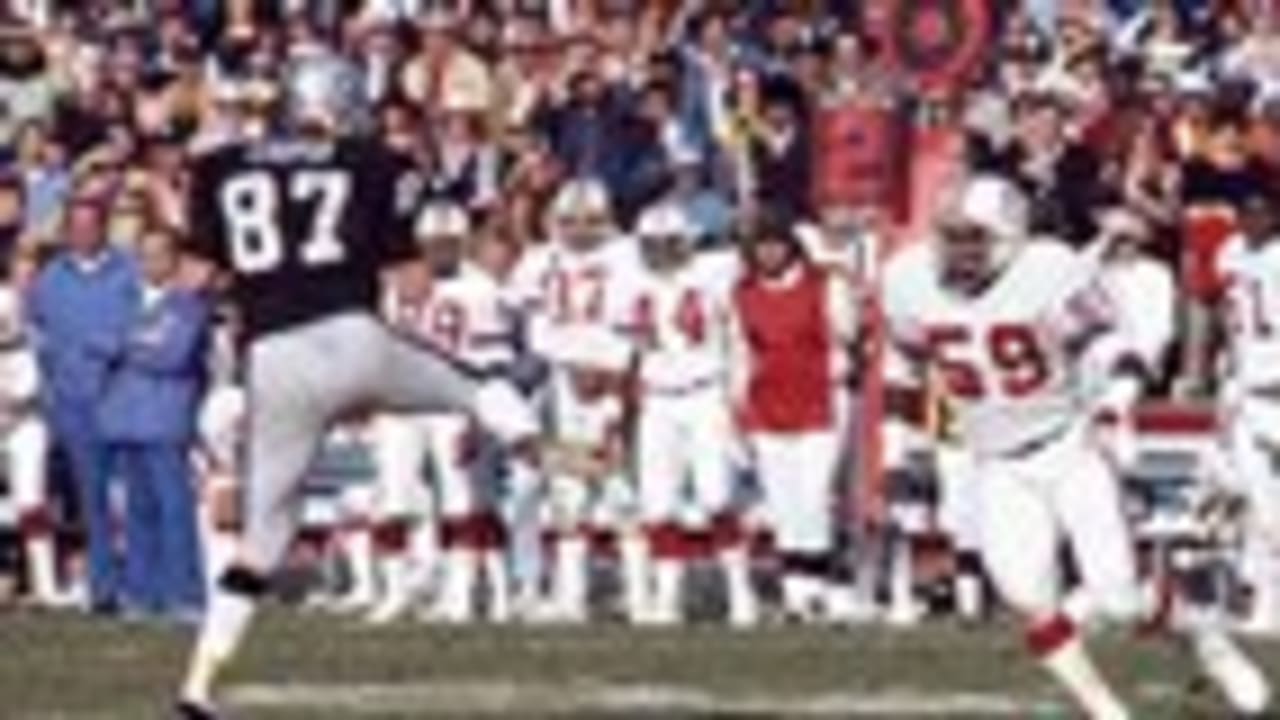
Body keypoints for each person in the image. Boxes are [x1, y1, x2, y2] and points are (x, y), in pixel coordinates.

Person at [175, 53, 537, 719]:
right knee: (472, 384)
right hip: (350, 335)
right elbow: (412, 284)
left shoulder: (218, 167)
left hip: (272, 358)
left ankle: (198, 685)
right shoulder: (373, 163)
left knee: (264, 535)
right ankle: (530, 440)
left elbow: (196, 276)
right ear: (336, 105)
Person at [880, 175, 1270, 720]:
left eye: (975, 238)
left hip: (1067, 446)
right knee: (1025, 596)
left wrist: (1117, 400)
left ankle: (1208, 641)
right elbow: (904, 364)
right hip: (994, 459)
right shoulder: (909, 279)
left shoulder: (1047, 271)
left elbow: (1110, 346)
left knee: (1119, 601)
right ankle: (1104, 710)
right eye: (952, 236)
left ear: (1011, 238)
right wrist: (899, 451)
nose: (961, 251)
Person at [615, 202, 757, 626]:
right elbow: (623, 349)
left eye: (669, 244)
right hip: (657, 398)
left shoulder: (714, 272)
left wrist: (737, 394)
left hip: (704, 393)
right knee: (658, 505)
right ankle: (667, 597)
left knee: (717, 496)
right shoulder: (628, 281)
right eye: (652, 246)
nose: (660, 254)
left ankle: (740, 592)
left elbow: (747, 242)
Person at [729, 209, 858, 622]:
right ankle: (796, 591)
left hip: (819, 399)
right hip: (769, 403)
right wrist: (737, 408)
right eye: (760, 246)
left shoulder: (824, 286)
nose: (769, 253)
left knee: (815, 496)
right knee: (784, 502)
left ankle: (824, 583)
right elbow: (739, 354)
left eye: (776, 244)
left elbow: (848, 337)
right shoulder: (743, 294)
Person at [27, 188, 138, 613]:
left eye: (90, 226)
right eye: (73, 227)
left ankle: (142, 582)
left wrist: (110, 346)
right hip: (74, 404)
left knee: (132, 498)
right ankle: (103, 587)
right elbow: (37, 334)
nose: (81, 234)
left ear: (104, 227)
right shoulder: (50, 278)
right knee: (92, 502)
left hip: (125, 399)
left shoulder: (129, 272)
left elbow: (144, 325)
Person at [97, 226, 210, 621]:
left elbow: (173, 356)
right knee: (136, 512)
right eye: (143, 255)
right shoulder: (124, 300)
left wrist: (126, 346)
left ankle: (185, 594)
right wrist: (136, 342)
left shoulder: (188, 305)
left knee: (174, 510)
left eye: (159, 254)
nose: (150, 263)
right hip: (125, 418)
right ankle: (142, 594)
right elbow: (100, 344)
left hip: (165, 418)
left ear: (174, 259)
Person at [1213, 187, 1280, 636]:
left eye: (1263, 213)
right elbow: (1227, 318)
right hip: (1247, 390)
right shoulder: (1230, 253)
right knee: (1257, 503)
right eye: (1247, 213)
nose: (1254, 220)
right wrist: (1229, 381)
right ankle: (1266, 602)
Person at [0, 265, 55, 605]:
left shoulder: (26, 350)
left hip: (25, 428)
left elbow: (31, 394)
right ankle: (8, 579)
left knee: (30, 502)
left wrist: (12, 409)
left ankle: (45, 584)